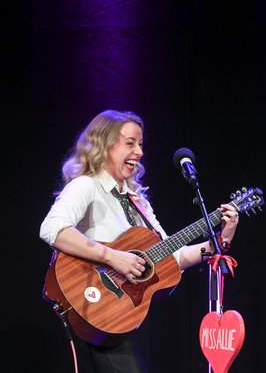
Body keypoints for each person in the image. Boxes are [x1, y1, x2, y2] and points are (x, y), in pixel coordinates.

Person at [39, 109, 240, 373]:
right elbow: (52, 228)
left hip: (122, 314)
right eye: (130, 143)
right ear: (104, 144)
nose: (139, 152)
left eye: (141, 145)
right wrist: (113, 257)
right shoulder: (86, 186)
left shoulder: (138, 201)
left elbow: (173, 257)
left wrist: (220, 241)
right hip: (92, 302)